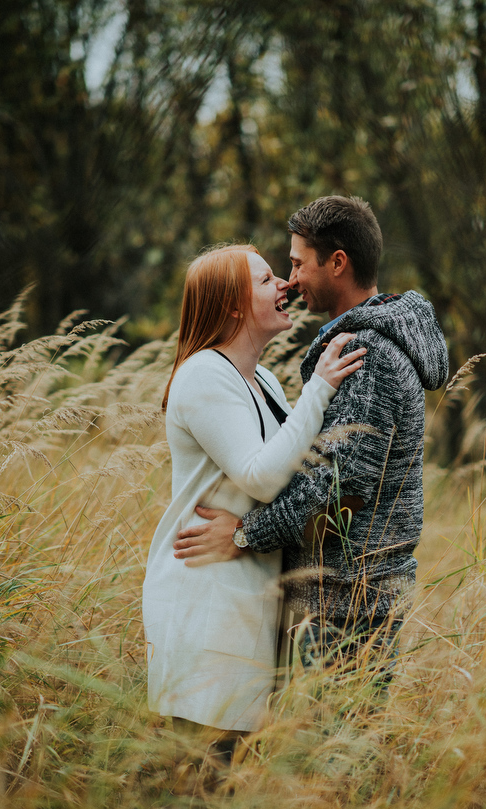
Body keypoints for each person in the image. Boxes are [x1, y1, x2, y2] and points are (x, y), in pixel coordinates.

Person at [173, 197, 449, 685]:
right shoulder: (355, 346)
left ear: (337, 262)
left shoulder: (370, 355)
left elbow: (339, 488)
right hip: (340, 593)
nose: (290, 278)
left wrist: (243, 535)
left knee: (343, 749)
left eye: (298, 263)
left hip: (350, 596)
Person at [142, 243, 366, 751]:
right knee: (202, 774)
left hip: (244, 589)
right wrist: (320, 389)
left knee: (227, 772)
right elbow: (261, 478)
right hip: (206, 595)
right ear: (234, 306)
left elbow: (285, 470)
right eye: (267, 280)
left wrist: (245, 533)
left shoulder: (260, 378)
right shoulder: (203, 374)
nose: (284, 285)